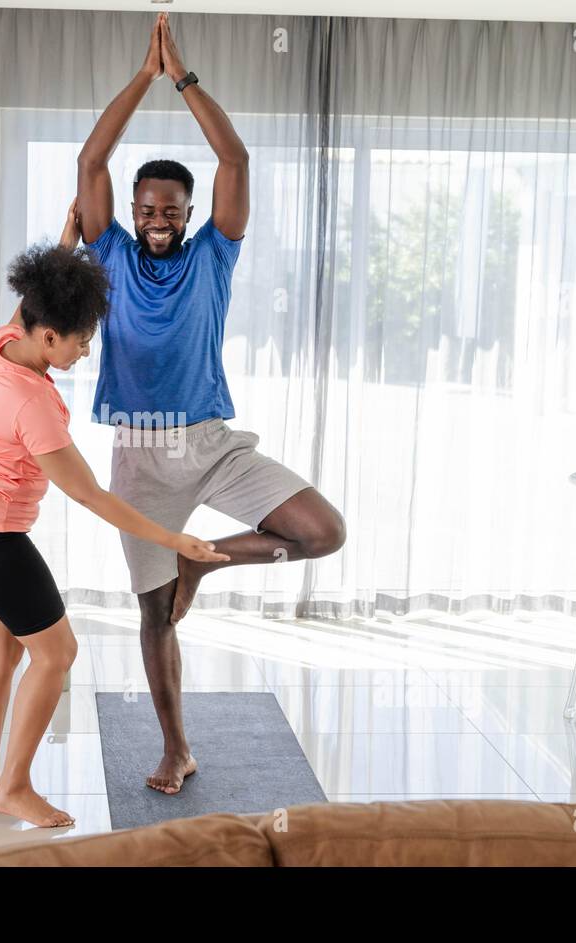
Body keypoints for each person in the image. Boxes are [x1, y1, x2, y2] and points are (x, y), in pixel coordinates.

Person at [76, 13, 347, 795]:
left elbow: (235, 156)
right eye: (147, 209)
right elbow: (93, 157)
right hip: (139, 451)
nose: (158, 221)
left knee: (322, 532)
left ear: (190, 215)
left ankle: (207, 563)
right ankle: (175, 748)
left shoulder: (215, 255)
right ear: (132, 213)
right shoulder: (109, 253)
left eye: (171, 210)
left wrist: (182, 77)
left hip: (212, 441)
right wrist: (142, 76)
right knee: (153, 614)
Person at [0, 199, 228, 828]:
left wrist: (66, 244)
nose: (87, 351)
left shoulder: (1, 341)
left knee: (1, 655)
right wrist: (176, 539)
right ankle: (14, 787)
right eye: (82, 340)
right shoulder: (33, 403)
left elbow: (37, 297)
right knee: (58, 653)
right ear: (49, 335)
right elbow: (93, 496)